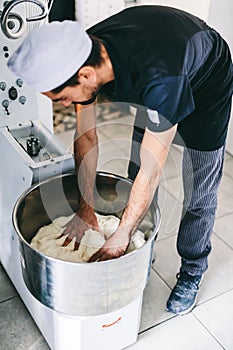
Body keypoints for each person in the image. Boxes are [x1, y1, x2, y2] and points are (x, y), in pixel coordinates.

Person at [8, 5, 233, 315]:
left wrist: (120, 236)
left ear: (85, 76)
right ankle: (141, 251)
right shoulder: (85, 55)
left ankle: (193, 270)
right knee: (134, 169)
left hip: (207, 79)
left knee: (199, 188)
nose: (64, 105)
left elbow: (154, 172)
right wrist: (87, 211)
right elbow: (86, 137)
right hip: (162, 68)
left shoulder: (160, 81)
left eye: (61, 98)